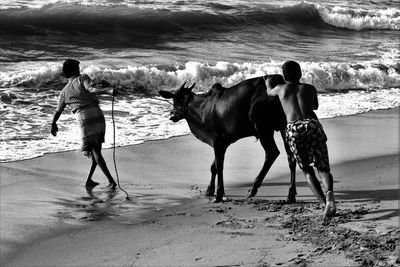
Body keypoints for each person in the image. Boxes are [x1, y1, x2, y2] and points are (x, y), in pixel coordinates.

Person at [265, 60, 336, 217]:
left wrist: (268, 83)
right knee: (322, 167)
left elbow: (268, 93)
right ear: (301, 73)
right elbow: (315, 106)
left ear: (284, 76)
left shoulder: (280, 89)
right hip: (312, 125)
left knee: (307, 170)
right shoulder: (310, 88)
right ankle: (330, 193)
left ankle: (324, 204)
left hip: (294, 129)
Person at [51, 59, 118, 189]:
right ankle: (89, 180)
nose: (79, 69)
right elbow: (91, 90)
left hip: (85, 118)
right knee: (96, 151)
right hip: (97, 114)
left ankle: (111, 181)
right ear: (75, 70)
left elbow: (58, 111)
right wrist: (108, 91)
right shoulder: (82, 78)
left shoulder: (64, 92)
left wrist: (53, 123)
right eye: (78, 67)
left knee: (95, 152)